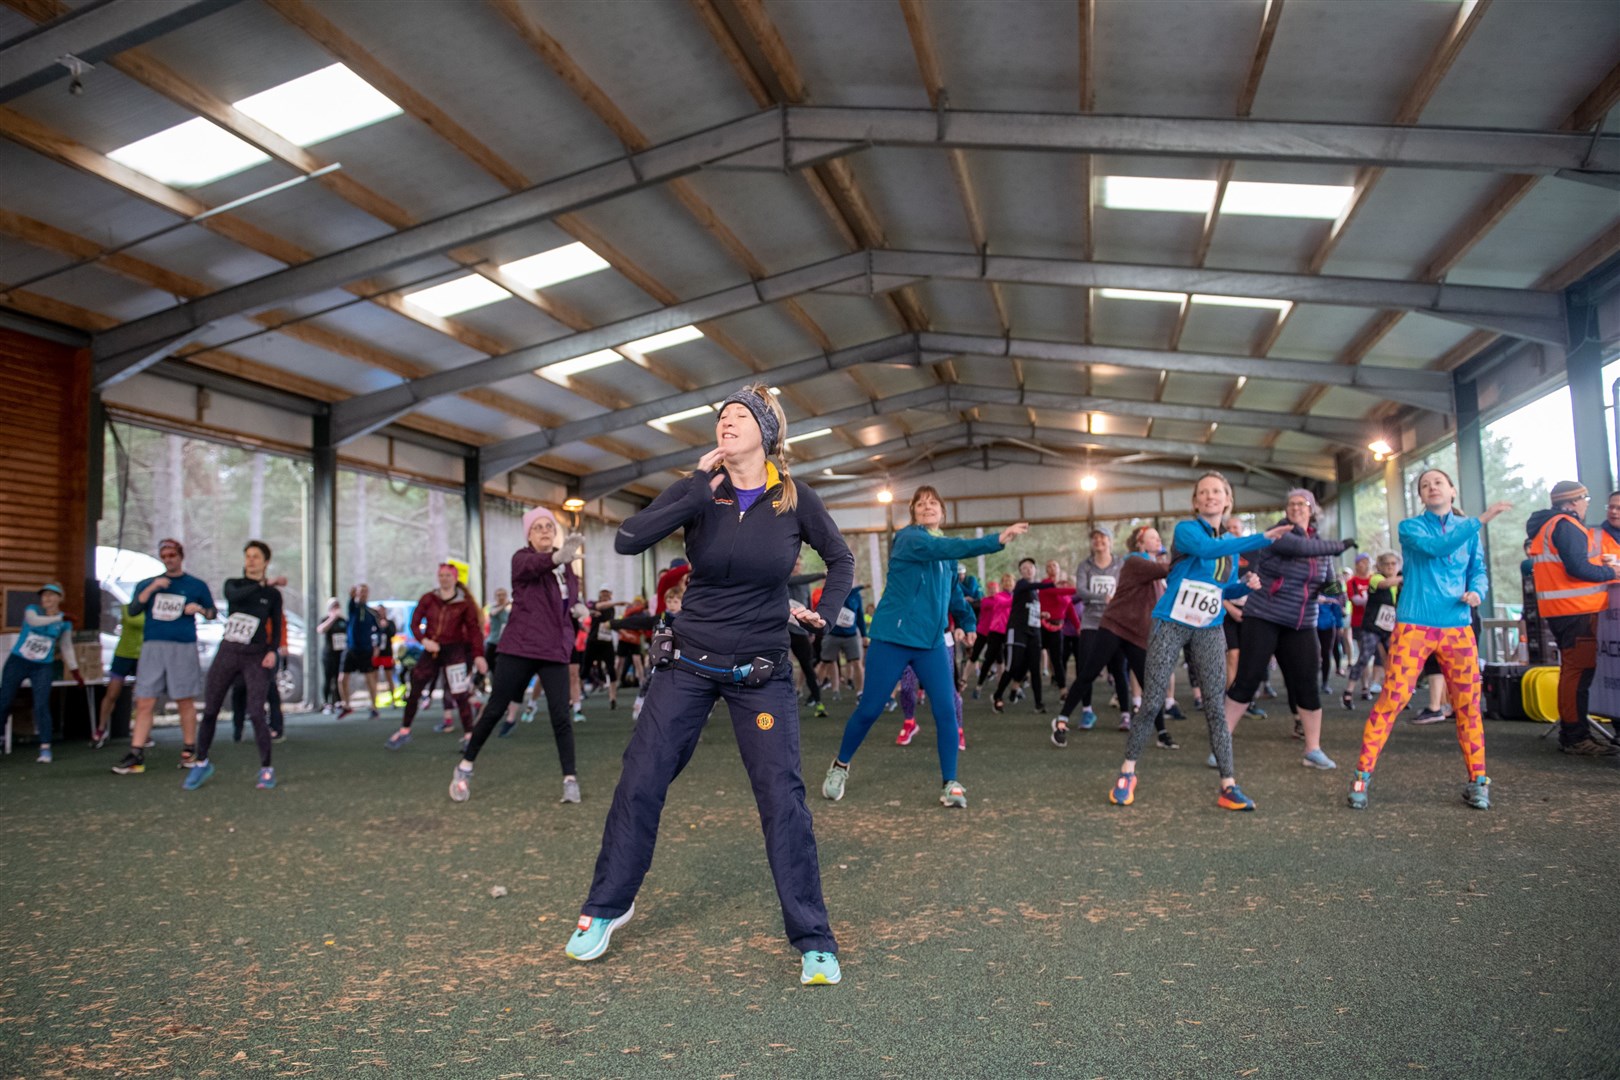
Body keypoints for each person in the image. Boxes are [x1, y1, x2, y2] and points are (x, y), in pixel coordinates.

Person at [566, 384, 853, 988]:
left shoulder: (795, 499)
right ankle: (606, 908)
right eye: (722, 415)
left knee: (783, 799)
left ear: (767, 432)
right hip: (687, 664)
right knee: (640, 780)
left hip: (761, 672)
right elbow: (628, 538)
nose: (727, 421)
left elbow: (841, 558)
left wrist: (823, 606)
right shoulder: (701, 489)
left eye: (740, 414)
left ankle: (814, 939)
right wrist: (695, 489)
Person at [822, 486, 1024, 807]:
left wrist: (968, 624)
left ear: (942, 512)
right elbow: (951, 546)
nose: (928, 507)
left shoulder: (944, 556)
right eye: (921, 504)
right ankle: (840, 766)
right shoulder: (910, 539)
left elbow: (954, 595)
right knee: (870, 709)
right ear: (914, 512)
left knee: (946, 710)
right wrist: (995, 540)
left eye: (934, 504)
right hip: (893, 639)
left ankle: (951, 784)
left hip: (930, 644)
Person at [1108, 473, 1285, 810]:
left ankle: (1228, 785)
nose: (1210, 496)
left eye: (1217, 491)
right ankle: (1128, 772)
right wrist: (1260, 538)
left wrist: (1245, 586)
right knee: (1153, 699)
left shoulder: (1230, 551)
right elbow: (1207, 548)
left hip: (1208, 628)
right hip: (1170, 623)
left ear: (1227, 499)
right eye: (1203, 492)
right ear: (1195, 501)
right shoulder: (1187, 531)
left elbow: (1223, 589)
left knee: (1216, 706)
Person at [1347, 469, 1511, 810]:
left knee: (1468, 705)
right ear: (1421, 496)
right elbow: (1437, 549)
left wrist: (1477, 591)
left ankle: (1478, 780)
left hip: (1458, 627)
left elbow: (1478, 570)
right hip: (1413, 628)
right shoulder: (1411, 528)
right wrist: (1480, 519)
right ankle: (1362, 775)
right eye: (1425, 485)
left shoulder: (1468, 533)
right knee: (1392, 699)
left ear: (1451, 489)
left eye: (1438, 482)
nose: (1432, 487)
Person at [453, 506, 585, 802]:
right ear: (528, 534)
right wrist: (556, 558)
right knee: (496, 708)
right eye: (537, 527)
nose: (545, 531)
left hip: (554, 649)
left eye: (549, 527)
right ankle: (465, 766)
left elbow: (567, 601)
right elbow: (535, 567)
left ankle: (570, 779)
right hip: (520, 647)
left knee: (561, 715)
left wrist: (577, 607)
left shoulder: (567, 569)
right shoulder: (521, 559)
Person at [1223, 489, 1357, 771]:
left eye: (1303, 503)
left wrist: (1335, 592)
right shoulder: (1279, 532)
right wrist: (1341, 545)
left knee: (1307, 683)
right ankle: (1221, 744)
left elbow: (1327, 579)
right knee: (1247, 679)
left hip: (1302, 621)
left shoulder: (1320, 544)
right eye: (1292, 503)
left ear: (1312, 509)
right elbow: (1300, 549)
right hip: (1265, 615)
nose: (1296, 507)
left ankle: (1313, 750)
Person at [1053, 527, 1175, 749]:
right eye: (1153, 537)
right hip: (1114, 626)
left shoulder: (1151, 571)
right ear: (1140, 543)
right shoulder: (1136, 563)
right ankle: (1062, 720)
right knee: (1088, 672)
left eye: (1159, 537)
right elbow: (1169, 568)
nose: (1158, 539)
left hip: (1136, 633)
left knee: (1147, 683)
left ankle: (1162, 733)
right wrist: (1195, 553)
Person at [1526, 481, 1620, 756]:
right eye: (1585, 498)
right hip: (1574, 608)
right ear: (1574, 501)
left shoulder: (1551, 525)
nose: (1587, 503)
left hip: (1565, 608)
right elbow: (1578, 567)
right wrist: (1612, 574)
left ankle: (1574, 733)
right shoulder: (1566, 525)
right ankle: (1575, 736)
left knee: (1574, 672)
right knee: (1577, 673)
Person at [183, 541, 284, 791]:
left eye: (256, 557)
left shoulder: (272, 595)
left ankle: (266, 769)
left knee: (257, 712)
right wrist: (263, 583)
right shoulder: (234, 584)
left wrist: (273, 651)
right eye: (247, 556)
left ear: (265, 562)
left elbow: (277, 624)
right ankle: (201, 762)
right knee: (210, 710)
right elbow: (234, 597)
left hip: (256, 655)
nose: (250, 560)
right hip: (228, 651)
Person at [113, 539, 216, 775]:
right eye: (164, 555)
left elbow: (212, 613)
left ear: (181, 556)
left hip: (183, 645)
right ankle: (136, 753)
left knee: (184, 698)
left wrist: (198, 609)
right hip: (153, 646)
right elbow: (133, 610)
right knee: (145, 699)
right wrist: (152, 589)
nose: (169, 559)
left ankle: (190, 750)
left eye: (172, 555)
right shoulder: (148, 584)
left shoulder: (195, 585)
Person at [388, 563, 489, 750]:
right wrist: (424, 641)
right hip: (432, 650)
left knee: (459, 693)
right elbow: (414, 623)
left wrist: (478, 655)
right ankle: (404, 730)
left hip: (455, 651)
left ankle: (469, 735)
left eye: (448, 576)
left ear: (455, 578)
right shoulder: (429, 598)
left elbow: (475, 631)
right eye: (441, 575)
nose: (444, 579)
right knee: (416, 686)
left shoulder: (464, 603)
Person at [1, 583, 82, 763]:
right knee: (4, 700)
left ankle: (45, 747)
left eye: (51, 595)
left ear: (60, 598)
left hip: (42, 666)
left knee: (41, 705)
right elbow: (33, 621)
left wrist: (75, 670)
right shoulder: (33, 610)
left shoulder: (63, 623)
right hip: (18, 661)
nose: (46, 598)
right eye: (44, 595)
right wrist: (59, 617)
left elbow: (66, 646)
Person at [1064, 525, 1131, 731]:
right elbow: (1081, 591)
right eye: (1095, 538)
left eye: (1103, 538)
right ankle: (1087, 711)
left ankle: (1125, 714)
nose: (1099, 541)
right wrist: (1103, 598)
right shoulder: (1085, 565)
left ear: (1110, 541)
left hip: (1116, 622)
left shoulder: (1121, 564)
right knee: (1086, 668)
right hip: (1091, 623)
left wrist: (1117, 600)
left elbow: (1127, 587)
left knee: (1119, 669)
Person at [993, 559, 1065, 712]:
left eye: (1030, 567)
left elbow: (1028, 610)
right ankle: (997, 696)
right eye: (1024, 568)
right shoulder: (1021, 584)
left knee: (1035, 669)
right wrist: (1052, 584)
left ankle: (1039, 704)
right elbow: (1034, 585)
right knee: (1012, 667)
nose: (1027, 570)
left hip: (1034, 632)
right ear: (1020, 572)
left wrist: (1041, 614)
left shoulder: (1035, 592)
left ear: (1035, 569)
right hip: (1017, 631)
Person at [94, 600, 143, 748]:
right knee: (112, 693)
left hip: (143, 656)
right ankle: (101, 729)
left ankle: (143, 733)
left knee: (144, 696)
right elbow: (135, 621)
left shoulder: (153, 610)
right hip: (123, 655)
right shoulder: (127, 608)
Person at [787, 559, 827, 717]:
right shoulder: (785, 579)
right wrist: (822, 574)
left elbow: (809, 606)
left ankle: (818, 703)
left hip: (800, 633)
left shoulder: (805, 584)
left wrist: (811, 631)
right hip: (783, 632)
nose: (796, 567)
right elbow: (797, 579)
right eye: (794, 564)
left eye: (798, 564)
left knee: (808, 667)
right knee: (779, 667)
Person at [336, 585, 380, 719]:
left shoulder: (371, 613)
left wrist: (376, 646)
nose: (362, 594)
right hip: (351, 649)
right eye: (360, 592)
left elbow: (378, 630)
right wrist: (352, 594)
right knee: (342, 678)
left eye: (365, 592)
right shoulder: (353, 608)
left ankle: (374, 707)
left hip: (365, 650)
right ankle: (346, 705)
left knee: (370, 678)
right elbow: (351, 599)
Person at [820, 583, 866, 698]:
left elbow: (860, 616)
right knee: (829, 661)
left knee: (857, 662)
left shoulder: (856, 595)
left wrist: (864, 635)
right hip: (832, 634)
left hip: (851, 635)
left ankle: (860, 692)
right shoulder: (832, 591)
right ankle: (835, 691)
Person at [971, 577, 1012, 696]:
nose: (1008, 585)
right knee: (988, 659)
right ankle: (979, 686)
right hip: (995, 632)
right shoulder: (998, 597)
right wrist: (1019, 597)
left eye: (1010, 583)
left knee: (1003, 660)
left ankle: (1002, 686)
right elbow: (1004, 603)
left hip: (1007, 632)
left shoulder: (1011, 597)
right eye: (1005, 583)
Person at [315, 598, 345, 712]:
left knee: (339, 678)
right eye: (334, 606)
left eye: (337, 606)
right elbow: (320, 630)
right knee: (328, 678)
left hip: (340, 654)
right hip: (328, 654)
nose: (336, 608)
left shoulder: (342, 621)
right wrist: (332, 618)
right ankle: (326, 702)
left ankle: (338, 701)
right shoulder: (325, 619)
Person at [373, 605, 399, 707]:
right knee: (374, 677)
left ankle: (394, 700)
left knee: (389, 676)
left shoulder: (390, 623)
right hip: (376, 654)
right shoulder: (373, 622)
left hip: (387, 653)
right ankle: (373, 701)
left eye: (383, 611)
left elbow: (393, 633)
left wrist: (386, 626)